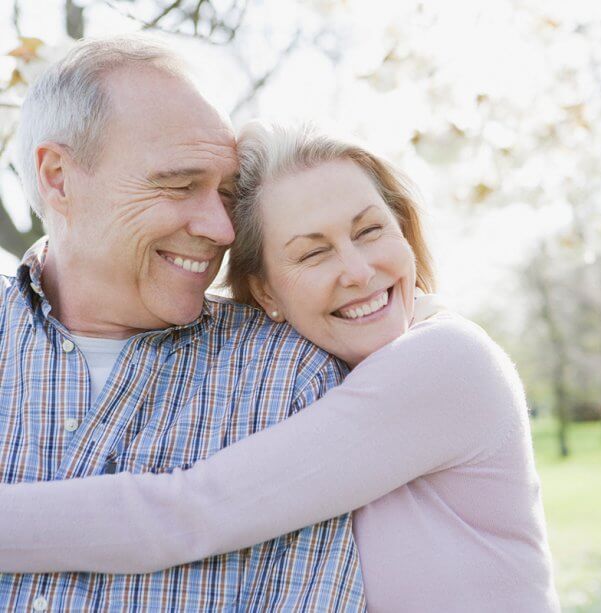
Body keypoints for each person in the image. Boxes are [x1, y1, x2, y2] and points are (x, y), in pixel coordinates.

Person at [0, 122, 561, 612]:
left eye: (369, 231)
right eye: (313, 253)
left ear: (406, 232)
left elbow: (190, 512)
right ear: (266, 291)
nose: (359, 271)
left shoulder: (446, 363)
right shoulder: (328, 372)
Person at [0, 37, 365, 611]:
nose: (222, 229)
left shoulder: (291, 381)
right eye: (177, 185)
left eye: (224, 194)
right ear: (58, 177)